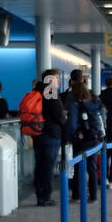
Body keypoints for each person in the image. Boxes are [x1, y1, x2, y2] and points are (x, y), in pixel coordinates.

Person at [32, 70, 66, 207]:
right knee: (47, 167)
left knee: (40, 166)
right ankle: (45, 196)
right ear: (51, 79)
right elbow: (57, 114)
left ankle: (40, 195)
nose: (58, 80)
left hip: (38, 133)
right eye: (57, 78)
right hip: (50, 134)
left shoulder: (38, 90)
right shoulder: (50, 90)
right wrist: (64, 118)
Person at [69, 79, 104, 203]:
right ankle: (93, 196)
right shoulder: (95, 100)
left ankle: (76, 195)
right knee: (92, 167)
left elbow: (73, 124)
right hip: (95, 137)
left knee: (78, 166)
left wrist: (71, 136)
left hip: (81, 139)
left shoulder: (75, 103)